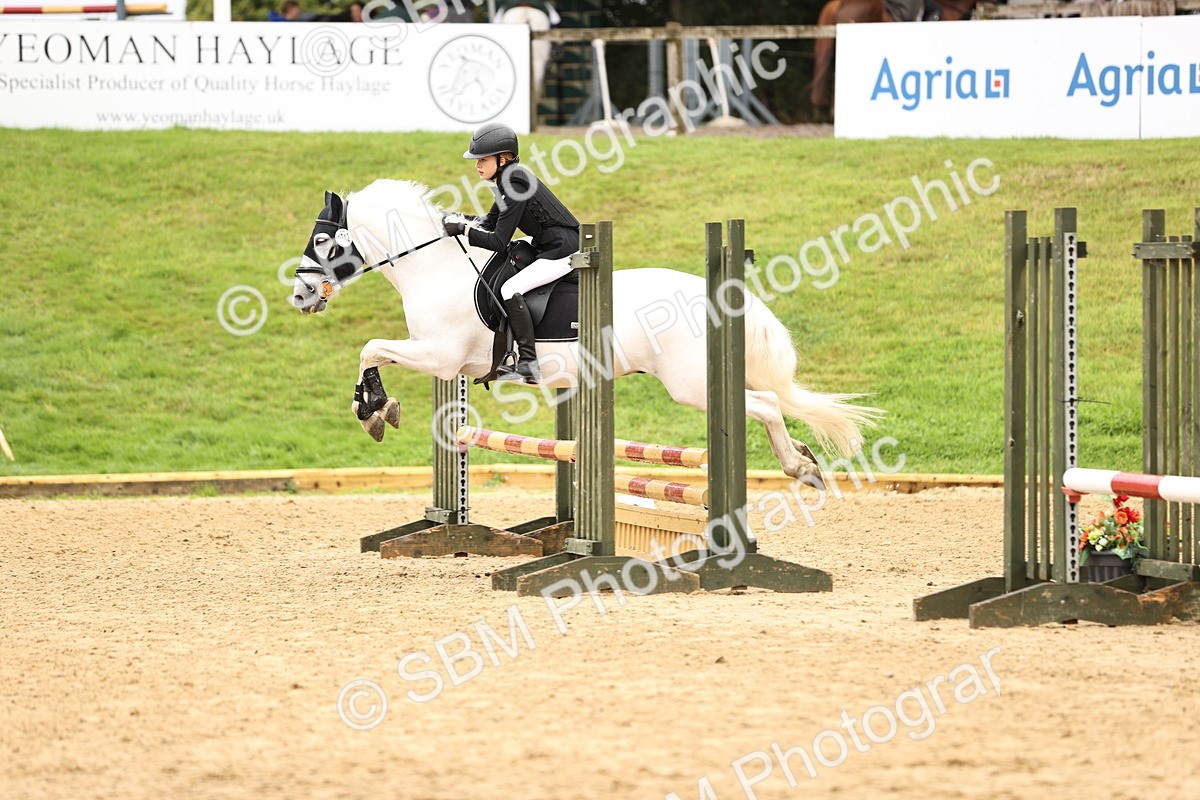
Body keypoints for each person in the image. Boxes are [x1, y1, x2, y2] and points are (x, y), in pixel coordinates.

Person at [442, 122, 579, 384]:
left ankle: (528, 362)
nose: (477, 165)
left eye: (482, 159)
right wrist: (455, 219)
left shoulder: (515, 183)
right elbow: (490, 222)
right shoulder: (509, 179)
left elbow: (498, 240)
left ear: (502, 158)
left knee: (509, 289)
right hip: (548, 243)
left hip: (562, 250)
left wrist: (463, 229)